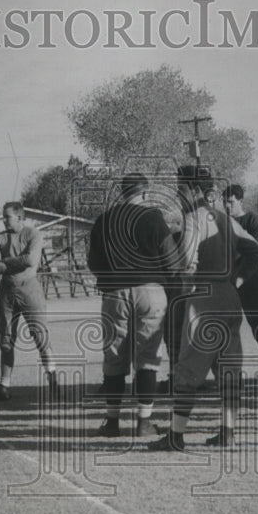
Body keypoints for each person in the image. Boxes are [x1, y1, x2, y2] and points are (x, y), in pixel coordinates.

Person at [149, 166, 258, 451]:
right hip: (228, 294)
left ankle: (176, 435)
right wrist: (236, 278)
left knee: (188, 366)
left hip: (203, 297)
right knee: (229, 367)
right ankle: (228, 431)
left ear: (196, 190)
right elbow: (255, 251)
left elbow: (184, 261)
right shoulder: (225, 218)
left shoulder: (193, 218)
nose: (177, 192)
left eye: (181, 187)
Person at [89, 173, 174, 437]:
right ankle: (143, 422)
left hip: (115, 292)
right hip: (150, 291)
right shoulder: (153, 217)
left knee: (114, 359)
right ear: (145, 193)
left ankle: (112, 422)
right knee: (147, 359)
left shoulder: (104, 220)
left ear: (122, 192)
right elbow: (171, 258)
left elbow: (93, 261)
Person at [0, 202, 57, 397]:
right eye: (2, 216)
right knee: (6, 340)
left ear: (19, 217)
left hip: (30, 289)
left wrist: (6, 262)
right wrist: (11, 263)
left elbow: (30, 260)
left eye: (7, 216)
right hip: (7, 291)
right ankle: (4, 387)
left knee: (40, 336)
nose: (3, 220)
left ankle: (53, 381)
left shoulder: (33, 234)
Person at [221, 184, 258, 370]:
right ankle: (232, 372)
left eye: (231, 202)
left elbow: (256, 252)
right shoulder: (221, 222)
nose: (227, 205)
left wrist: (240, 275)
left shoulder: (252, 220)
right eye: (224, 202)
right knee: (226, 327)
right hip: (227, 282)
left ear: (240, 201)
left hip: (249, 280)